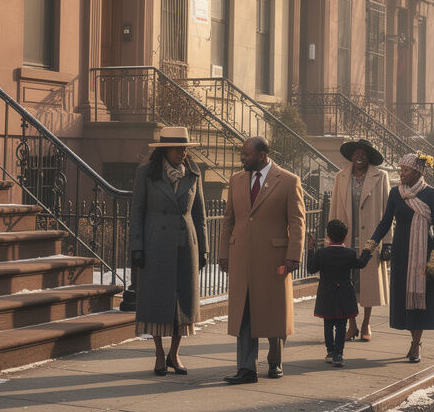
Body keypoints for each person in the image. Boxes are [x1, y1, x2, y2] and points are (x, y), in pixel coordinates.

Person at [219, 136, 305, 384]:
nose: (242, 158)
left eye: (246, 154)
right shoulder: (236, 180)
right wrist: (224, 253)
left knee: (273, 311)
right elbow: (228, 220)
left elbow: (297, 222)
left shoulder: (288, 181)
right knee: (243, 312)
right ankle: (246, 368)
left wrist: (293, 255)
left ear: (262, 154)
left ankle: (275, 361)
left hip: (274, 259)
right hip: (241, 258)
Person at [128, 126, 208, 376]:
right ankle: (159, 354)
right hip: (155, 245)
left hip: (185, 245)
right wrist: (137, 246)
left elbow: (200, 215)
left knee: (182, 301)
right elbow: (136, 212)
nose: (182, 153)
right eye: (177, 149)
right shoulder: (146, 173)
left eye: (184, 149)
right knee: (156, 300)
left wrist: (204, 249)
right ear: (164, 150)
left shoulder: (193, 173)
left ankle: (174, 353)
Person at [364, 152, 434, 364]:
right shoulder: (395, 193)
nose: (402, 173)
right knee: (404, 298)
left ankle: (416, 344)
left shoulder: (432, 194)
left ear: (418, 172)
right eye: (401, 169)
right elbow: (385, 222)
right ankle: (413, 338)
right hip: (401, 253)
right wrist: (371, 244)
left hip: (423, 253)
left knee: (419, 297)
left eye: (406, 170)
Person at [331, 139, 390, 342]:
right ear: (351, 156)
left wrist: (387, 242)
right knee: (346, 283)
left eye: (363, 154)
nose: (359, 157)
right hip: (346, 238)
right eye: (356, 153)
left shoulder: (380, 177)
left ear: (369, 157)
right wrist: (331, 238)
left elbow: (388, 212)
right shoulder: (340, 177)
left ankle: (366, 323)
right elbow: (334, 207)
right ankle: (352, 324)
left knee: (368, 285)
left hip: (370, 239)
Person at [305, 219, 369, 368]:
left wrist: (310, 250)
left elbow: (311, 269)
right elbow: (361, 264)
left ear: (328, 236)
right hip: (344, 293)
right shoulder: (350, 253)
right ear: (345, 236)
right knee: (341, 325)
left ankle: (330, 351)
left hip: (326, 293)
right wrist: (367, 251)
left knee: (328, 324)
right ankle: (338, 354)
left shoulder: (322, 253)